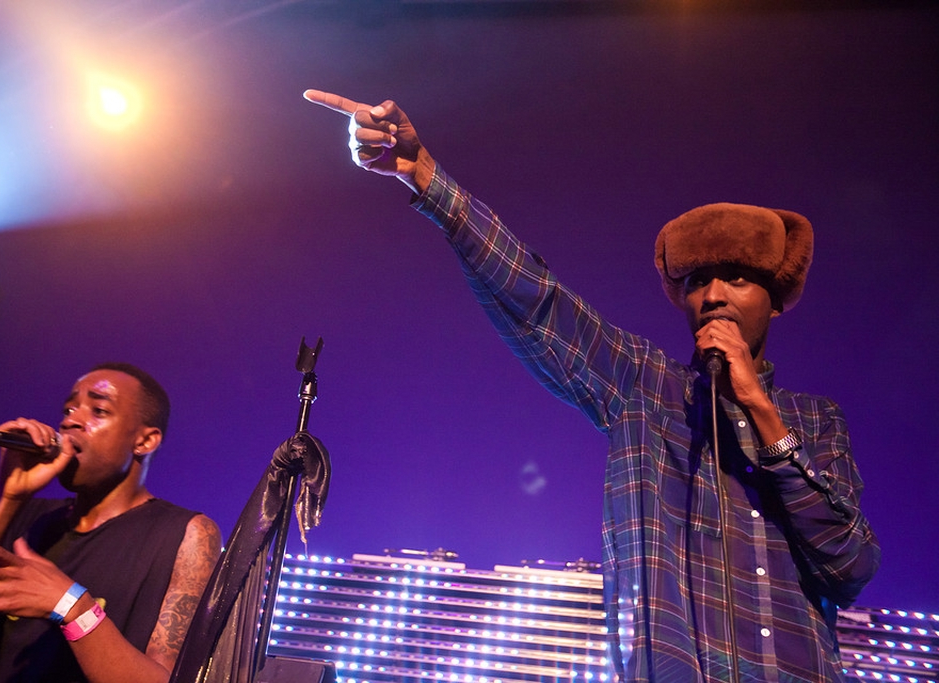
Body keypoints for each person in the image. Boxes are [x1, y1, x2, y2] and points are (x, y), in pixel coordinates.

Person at [303, 89, 880, 683]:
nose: (712, 297)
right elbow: (541, 305)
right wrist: (425, 178)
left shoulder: (816, 421)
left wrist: (760, 409)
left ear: (775, 301)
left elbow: (850, 563)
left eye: (735, 278)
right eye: (697, 281)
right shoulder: (647, 388)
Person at [0, 363, 222, 683]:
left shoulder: (185, 533)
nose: (70, 420)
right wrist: (8, 500)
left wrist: (70, 604)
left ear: (144, 441)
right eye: (69, 408)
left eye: (98, 409)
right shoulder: (27, 518)